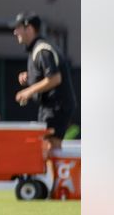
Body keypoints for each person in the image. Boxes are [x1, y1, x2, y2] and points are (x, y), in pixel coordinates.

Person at [11, 12, 78, 152]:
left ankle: (54, 174)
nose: (15, 32)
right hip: (51, 106)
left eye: (18, 28)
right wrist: (29, 77)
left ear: (29, 28)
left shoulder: (42, 50)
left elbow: (55, 78)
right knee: (46, 145)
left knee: (50, 146)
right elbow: (44, 76)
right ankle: (51, 173)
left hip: (57, 106)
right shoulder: (37, 49)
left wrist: (28, 91)